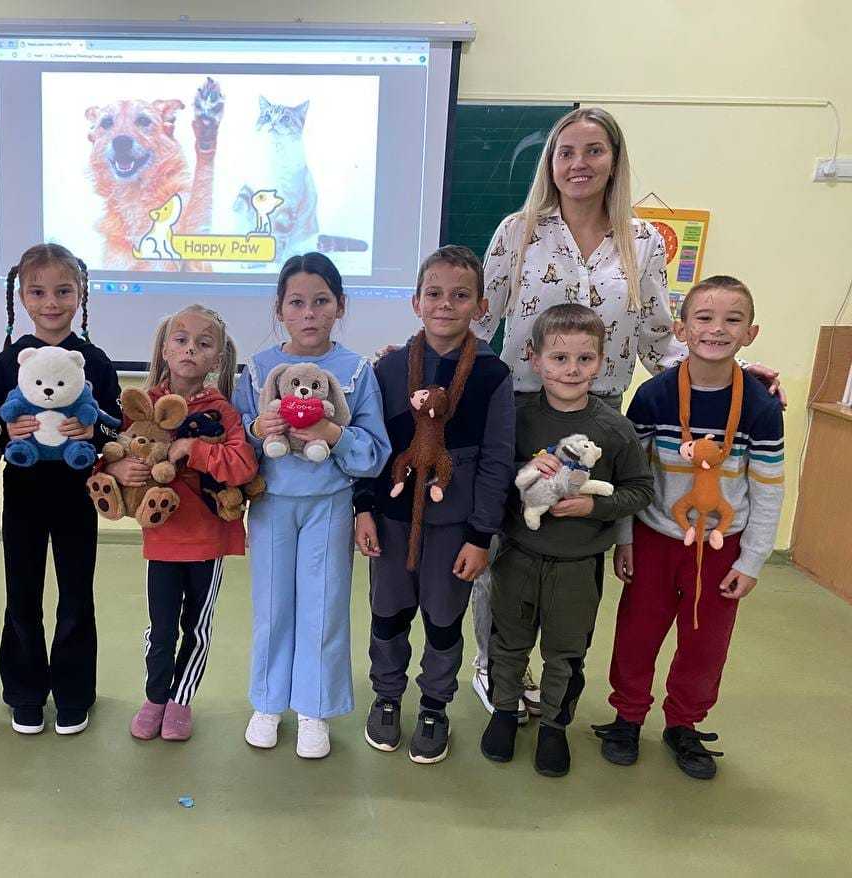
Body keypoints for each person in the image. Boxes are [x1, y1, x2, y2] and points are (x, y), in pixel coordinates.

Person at [467, 106, 781, 719]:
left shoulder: (642, 242)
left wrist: (737, 371)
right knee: (508, 541)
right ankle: (497, 666)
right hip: (521, 408)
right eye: (566, 152)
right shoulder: (518, 230)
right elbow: (480, 321)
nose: (578, 164)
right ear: (550, 163)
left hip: (599, 414)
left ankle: (561, 669)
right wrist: (420, 357)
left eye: (594, 150)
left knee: (576, 542)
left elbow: (659, 339)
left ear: (614, 161)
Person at [592, 276, 783, 780]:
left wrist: (752, 560)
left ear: (751, 333)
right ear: (681, 329)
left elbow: (767, 488)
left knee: (706, 643)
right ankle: (627, 716)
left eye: (732, 320)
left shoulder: (761, 407)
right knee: (637, 633)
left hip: (722, 546)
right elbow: (632, 476)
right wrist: (625, 539)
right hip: (654, 538)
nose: (717, 329)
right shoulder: (653, 396)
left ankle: (683, 723)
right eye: (704, 318)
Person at [354, 245, 514, 763]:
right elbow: (371, 446)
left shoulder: (493, 375)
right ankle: (386, 695)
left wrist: (480, 535)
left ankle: (434, 705)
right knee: (388, 613)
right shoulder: (389, 368)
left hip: (455, 527)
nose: (446, 304)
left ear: (481, 305)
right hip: (392, 520)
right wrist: (364, 509)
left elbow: (497, 461)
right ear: (415, 302)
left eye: (460, 295)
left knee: (444, 620)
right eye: (434, 293)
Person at [478, 304, 653, 777]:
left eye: (584, 358)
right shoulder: (516, 418)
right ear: (535, 360)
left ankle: (555, 726)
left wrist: (592, 507)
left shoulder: (614, 429)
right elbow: (493, 474)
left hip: (578, 565)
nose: (571, 370)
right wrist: (523, 470)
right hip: (518, 556)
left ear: (601, 362)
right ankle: (503, 712)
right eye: (559, 358)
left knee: (566, 652)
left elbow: (640, 490)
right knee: (508, 643)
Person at [232, 252, 391, 759]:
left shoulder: (356, 370)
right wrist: (258, 429)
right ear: (279, 308)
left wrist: (332, 433)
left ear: (340, 305)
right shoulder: (258, 370)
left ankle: (314, 708)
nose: (309, 314)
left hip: (329, 505)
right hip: (272, 503)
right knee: (272, 604)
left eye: (321, 302)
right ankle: (268, 702)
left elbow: (375, 451)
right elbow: (236, 440)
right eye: (296, 303)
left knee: (323, 606)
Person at [0, 243, 121, 737]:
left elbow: (117, 425)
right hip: (23, 493)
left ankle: (74, 693)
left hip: (78, 495)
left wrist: (94, 432)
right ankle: (25, 693)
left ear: (80, 293)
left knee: (76, 593)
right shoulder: (8, 361)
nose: (51, 302)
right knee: (21, 592)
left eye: (63, 291)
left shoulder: (94, 361)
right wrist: (6, 432)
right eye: (38, 292)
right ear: (21, 296)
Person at [108, 306, 257, 742]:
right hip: (162, 538)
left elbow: (243, 465)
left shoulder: (222, 411)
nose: (191, 348)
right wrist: (117, 469)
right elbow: (116, 448)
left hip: (209, 540)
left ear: (217, 359)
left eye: (203, 343)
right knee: (160, 627)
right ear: (165, 350)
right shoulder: (143, 404)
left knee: (196, 627)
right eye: (181, 340)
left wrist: (194, 448)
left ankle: (180, 700)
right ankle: (155, 697)